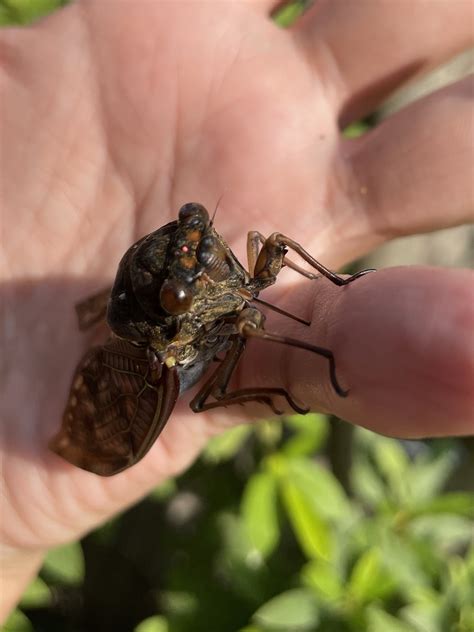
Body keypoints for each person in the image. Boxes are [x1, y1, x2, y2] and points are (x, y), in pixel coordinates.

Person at [1, 0, 473, 620]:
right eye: (184, 286)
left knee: (260, 278)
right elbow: (213, 360)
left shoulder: (213, 266)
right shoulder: (175, 330)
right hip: (158, 355)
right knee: (212, 377)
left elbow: (255, 262)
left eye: (198, 225)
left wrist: (335, 281)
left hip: (171, 316)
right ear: (172, 307)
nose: (211, 258)